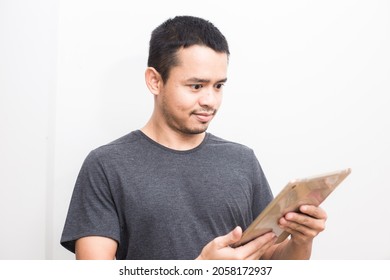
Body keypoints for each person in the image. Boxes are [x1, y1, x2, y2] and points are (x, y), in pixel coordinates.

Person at [60, 15, 327, 260]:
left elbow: (267, 260)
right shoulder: (106, 165)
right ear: (154, 81)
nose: (210, 100)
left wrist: (302, 241)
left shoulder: (242, 160)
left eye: (218, 86)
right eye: (196, 86)